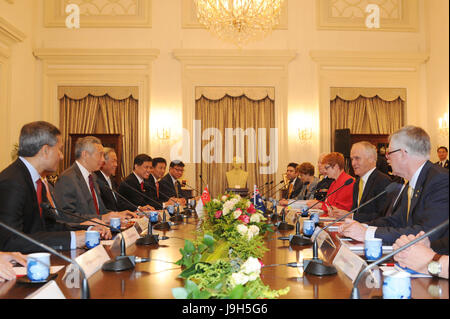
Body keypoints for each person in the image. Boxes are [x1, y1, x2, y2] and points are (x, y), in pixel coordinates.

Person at [339, 126, 449, 245]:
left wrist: (368, 233)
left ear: (403, 153)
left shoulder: (440, 180)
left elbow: (427, 232)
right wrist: (362, 226)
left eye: (389, 153)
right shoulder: (412, 181)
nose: (387, 158)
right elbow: (396, 221)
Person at [0, 122, 87, 253]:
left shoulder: (36, 180)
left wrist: (88, 230)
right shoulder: (12, 182)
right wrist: (72, 239)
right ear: (45, 151)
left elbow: (49, 226)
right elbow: (10, 241)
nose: (62, 156)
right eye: (59, 149)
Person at [53, 136, 137, 224]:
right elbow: (67, 217)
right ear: (85, 154)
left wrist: (117, 214)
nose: (103, 159)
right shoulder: (67, 178)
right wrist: (102, 218)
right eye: (100, 154)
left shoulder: (93, 176)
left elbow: (99, 211)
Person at [329, 142, 393, 223]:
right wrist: (341, 214)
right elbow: (356, 211)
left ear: (371, 158)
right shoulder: (357, 182)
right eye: (352, 159)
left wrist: (351, 216)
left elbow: (383, 216)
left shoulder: (383, 181)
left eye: (357, 158)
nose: (353, 163)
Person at [95, 147, 122, 211]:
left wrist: (137, 209)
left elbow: (117, 203)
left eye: (116, 161)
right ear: (103, 162)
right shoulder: (96, 180)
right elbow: (101, 208)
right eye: (113, 161)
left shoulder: (112, 179)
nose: (116, 165)